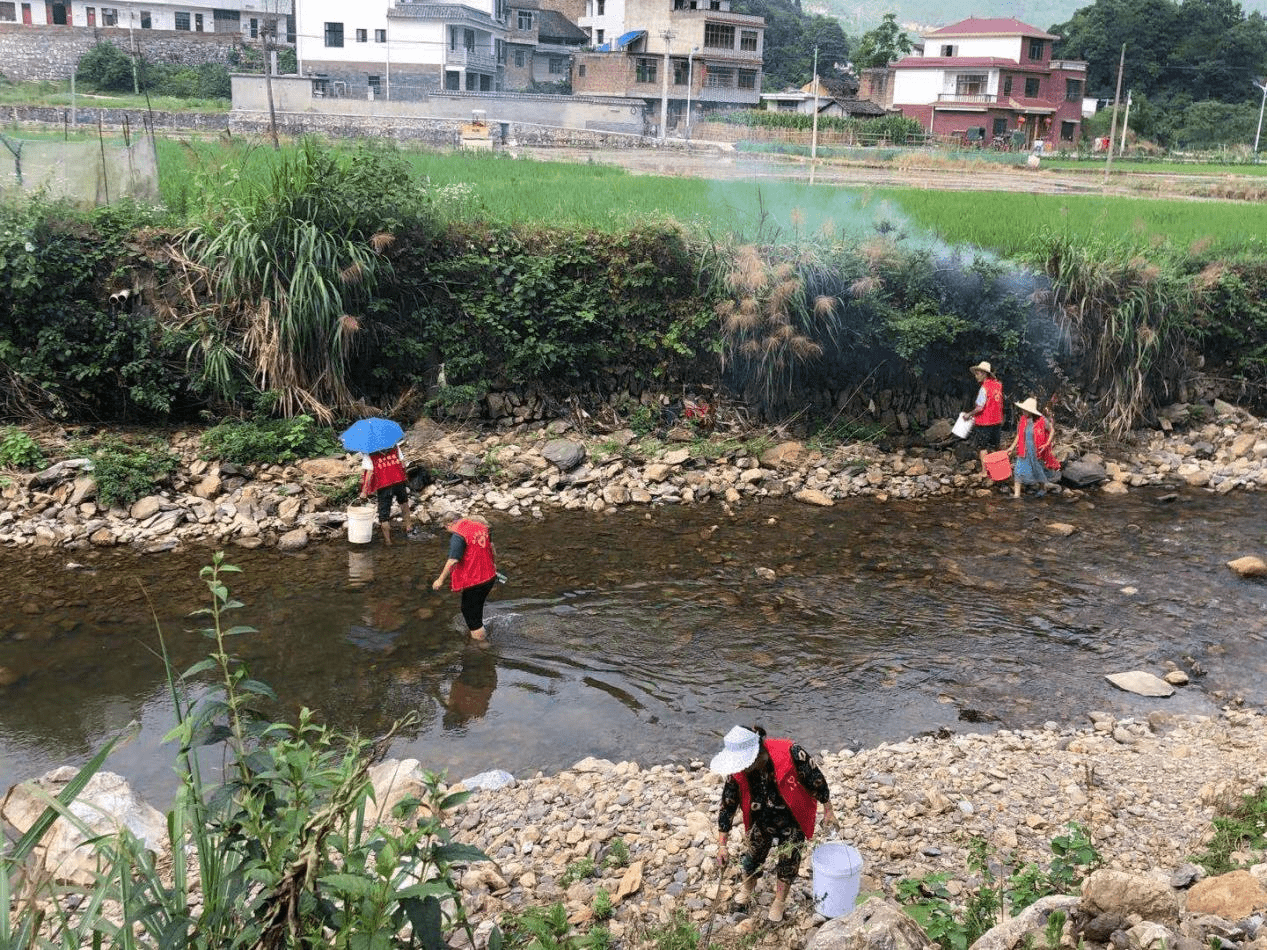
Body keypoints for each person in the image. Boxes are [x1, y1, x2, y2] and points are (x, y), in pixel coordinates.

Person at [711, 725, 836, 923]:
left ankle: (778, 903)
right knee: (753, 855)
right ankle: (746, 889)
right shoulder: (737, 772)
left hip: (793, 816)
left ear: (758, 753)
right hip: (760, 818)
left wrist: (828, 809)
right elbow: (728, 805)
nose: (741, 768)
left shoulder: (791, 752)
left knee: (788, 859)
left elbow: (816, 779)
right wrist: (722, 845)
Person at [432, 514, 498, 641]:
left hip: (476, 580)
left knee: (469, 612)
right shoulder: (481, 527)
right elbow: (492, 548)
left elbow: (453, 560)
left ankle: (481, 645)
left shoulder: (458, 535)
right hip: (489, 577)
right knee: (476, 608)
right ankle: (480, 631)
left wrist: (440, 580)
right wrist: (494, 565)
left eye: (446, 529)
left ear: (449, 524)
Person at [359, 441, 415, 546]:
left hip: (384, 485)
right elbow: (402, 464)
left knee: (384, 514)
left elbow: (369, 473)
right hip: (399, 480)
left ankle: (388, 542)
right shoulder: (394, 445)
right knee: (404, 503)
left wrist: (364, 492)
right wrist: (404, 477)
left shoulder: (369, 452)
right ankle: (409, 528)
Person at [1007, 396, 1061, 498]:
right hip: (1023, 449)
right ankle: (1016, 495)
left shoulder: (1041, 420)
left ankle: (1042, 488)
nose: (1023, 411)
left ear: (1030, 411)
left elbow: (1052, 430)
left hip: (1036, 450)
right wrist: (1011, 447)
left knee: (1038, 469)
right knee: (1018, 471)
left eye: (1025, 409)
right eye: (1023, 409)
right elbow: (1019, 435)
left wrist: (1047, 443)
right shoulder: (1022, 419)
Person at [966, 361, 1004, 456]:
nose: (976, 376)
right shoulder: (998, 385)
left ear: (984, 374)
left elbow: (980, 408)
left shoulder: (984, 388)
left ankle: (984, 470)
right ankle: (996, 469)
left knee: (982, 448)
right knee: (995, 447)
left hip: (984, 423)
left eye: (977, 374)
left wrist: (969, 414)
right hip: (997, 421)